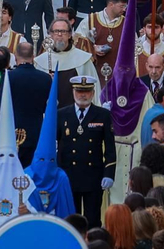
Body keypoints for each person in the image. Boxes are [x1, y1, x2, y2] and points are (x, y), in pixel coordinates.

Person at [59, 74, 115, 219]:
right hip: (69, 176)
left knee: (93, 219)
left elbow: (110, 148)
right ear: (73, 92)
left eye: (87, 91)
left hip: (93, 177)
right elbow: (55, 145)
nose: (82, 95)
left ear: (93, 93)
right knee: (72, 219)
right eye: (79, 91)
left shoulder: (103, 115)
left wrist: (109, 174)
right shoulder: (62, 115)